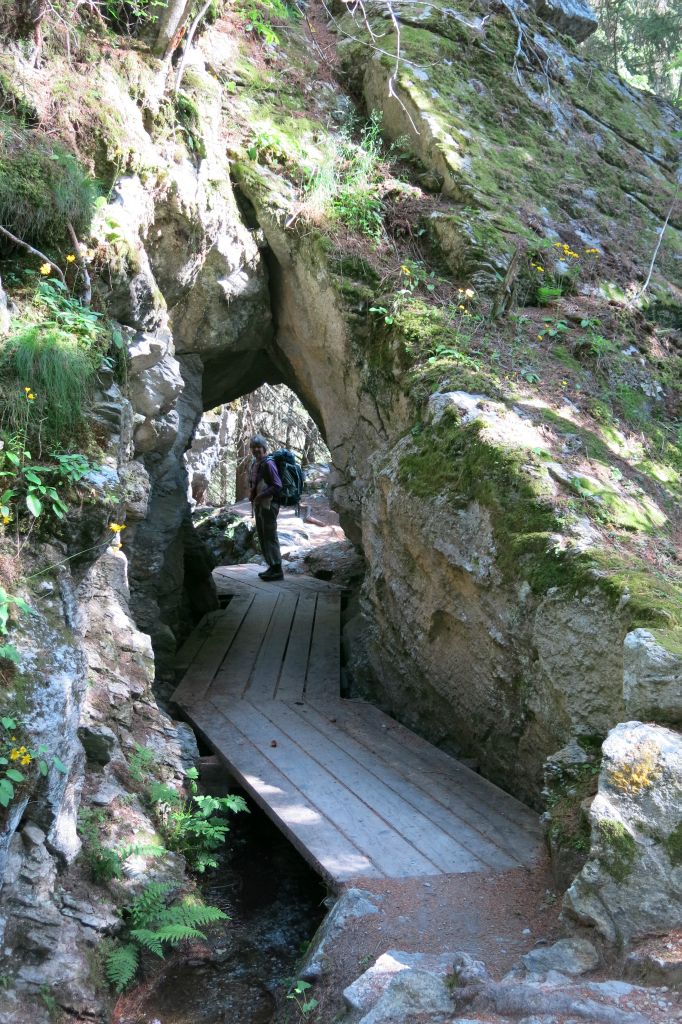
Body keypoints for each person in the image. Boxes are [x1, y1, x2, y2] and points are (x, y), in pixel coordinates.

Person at [248, 434, 284, 581]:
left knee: (270, 536)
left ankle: (277, 569)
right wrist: (254, 496)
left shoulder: (268, 464)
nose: (256, 449)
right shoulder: (256, 463)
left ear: (264, 448)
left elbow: (277, 485)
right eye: (253, 447)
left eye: (258, 447)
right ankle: (271, 567)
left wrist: (260, 496)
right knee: (263, 536)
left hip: (269, 505)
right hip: (260, 505)